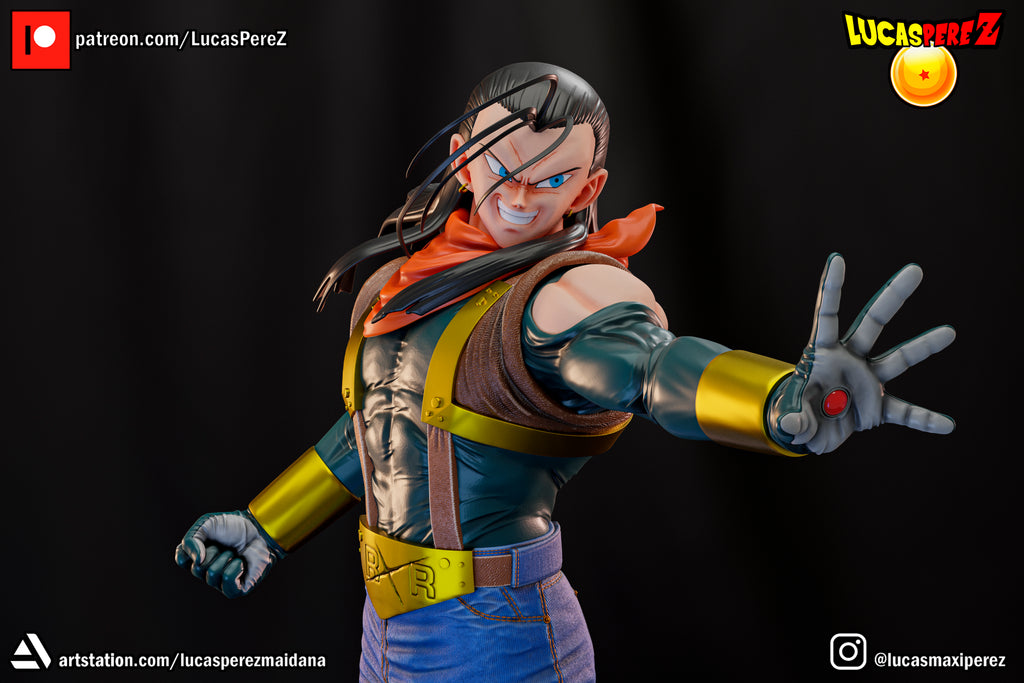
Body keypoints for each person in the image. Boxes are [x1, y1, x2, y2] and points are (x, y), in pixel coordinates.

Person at [175, 62, 954, 681]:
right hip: (387, 625)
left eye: (551, 179)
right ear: (463, 158)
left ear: (588, 188)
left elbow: (652, 368)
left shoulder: (570, 295)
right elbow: (382, 425)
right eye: (502, 166)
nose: (520, 195)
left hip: (492, 631)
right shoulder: (409, 282)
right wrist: (268, 524)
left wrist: (780, 402)